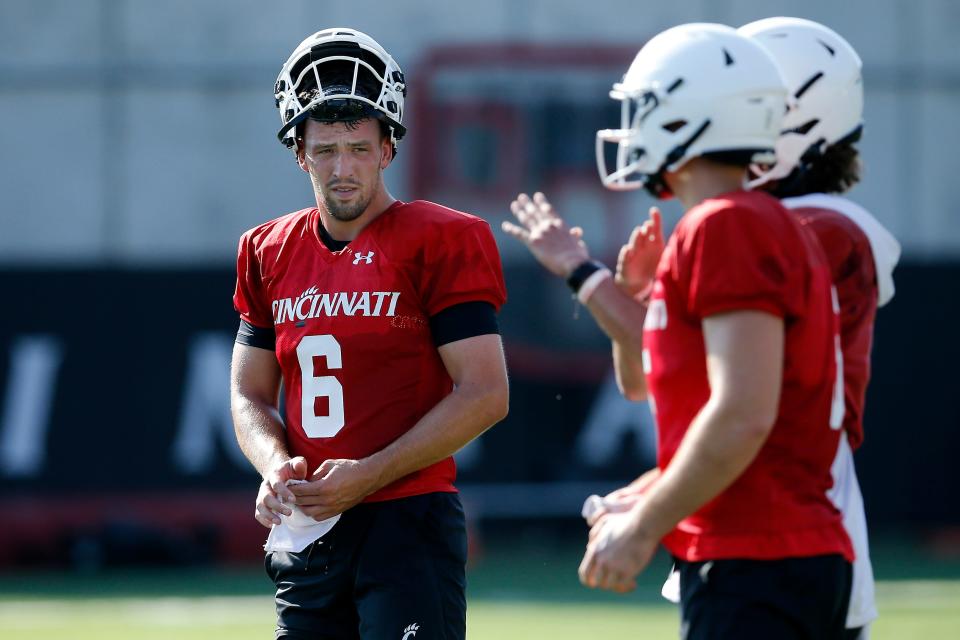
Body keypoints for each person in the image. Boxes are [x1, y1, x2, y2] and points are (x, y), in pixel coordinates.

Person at [503, 23, 853, 638]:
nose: (633, 128)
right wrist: (647, 494)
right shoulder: (739, 224)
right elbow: (657, 391)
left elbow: (743, 413)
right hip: (762, 555)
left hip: (759, 561)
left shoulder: (726, 226)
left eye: (646, 108)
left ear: (688, 115)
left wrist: (641, 530)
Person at [230, 27, 509, 640]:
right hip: (311, 529)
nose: (343, 168)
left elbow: (486, 392)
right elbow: (249, 394)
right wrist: (275, 466)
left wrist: (372, 471)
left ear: (388, 148)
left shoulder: (441, 239)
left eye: (358, 147)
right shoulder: (267, 249)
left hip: (408, 522)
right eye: (325, 149)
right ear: (299, 151)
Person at [740, 17, 901, 639]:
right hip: (768, 523)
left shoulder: (817, 230)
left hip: (789, 530)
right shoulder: (794, 224)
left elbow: (751, 402)